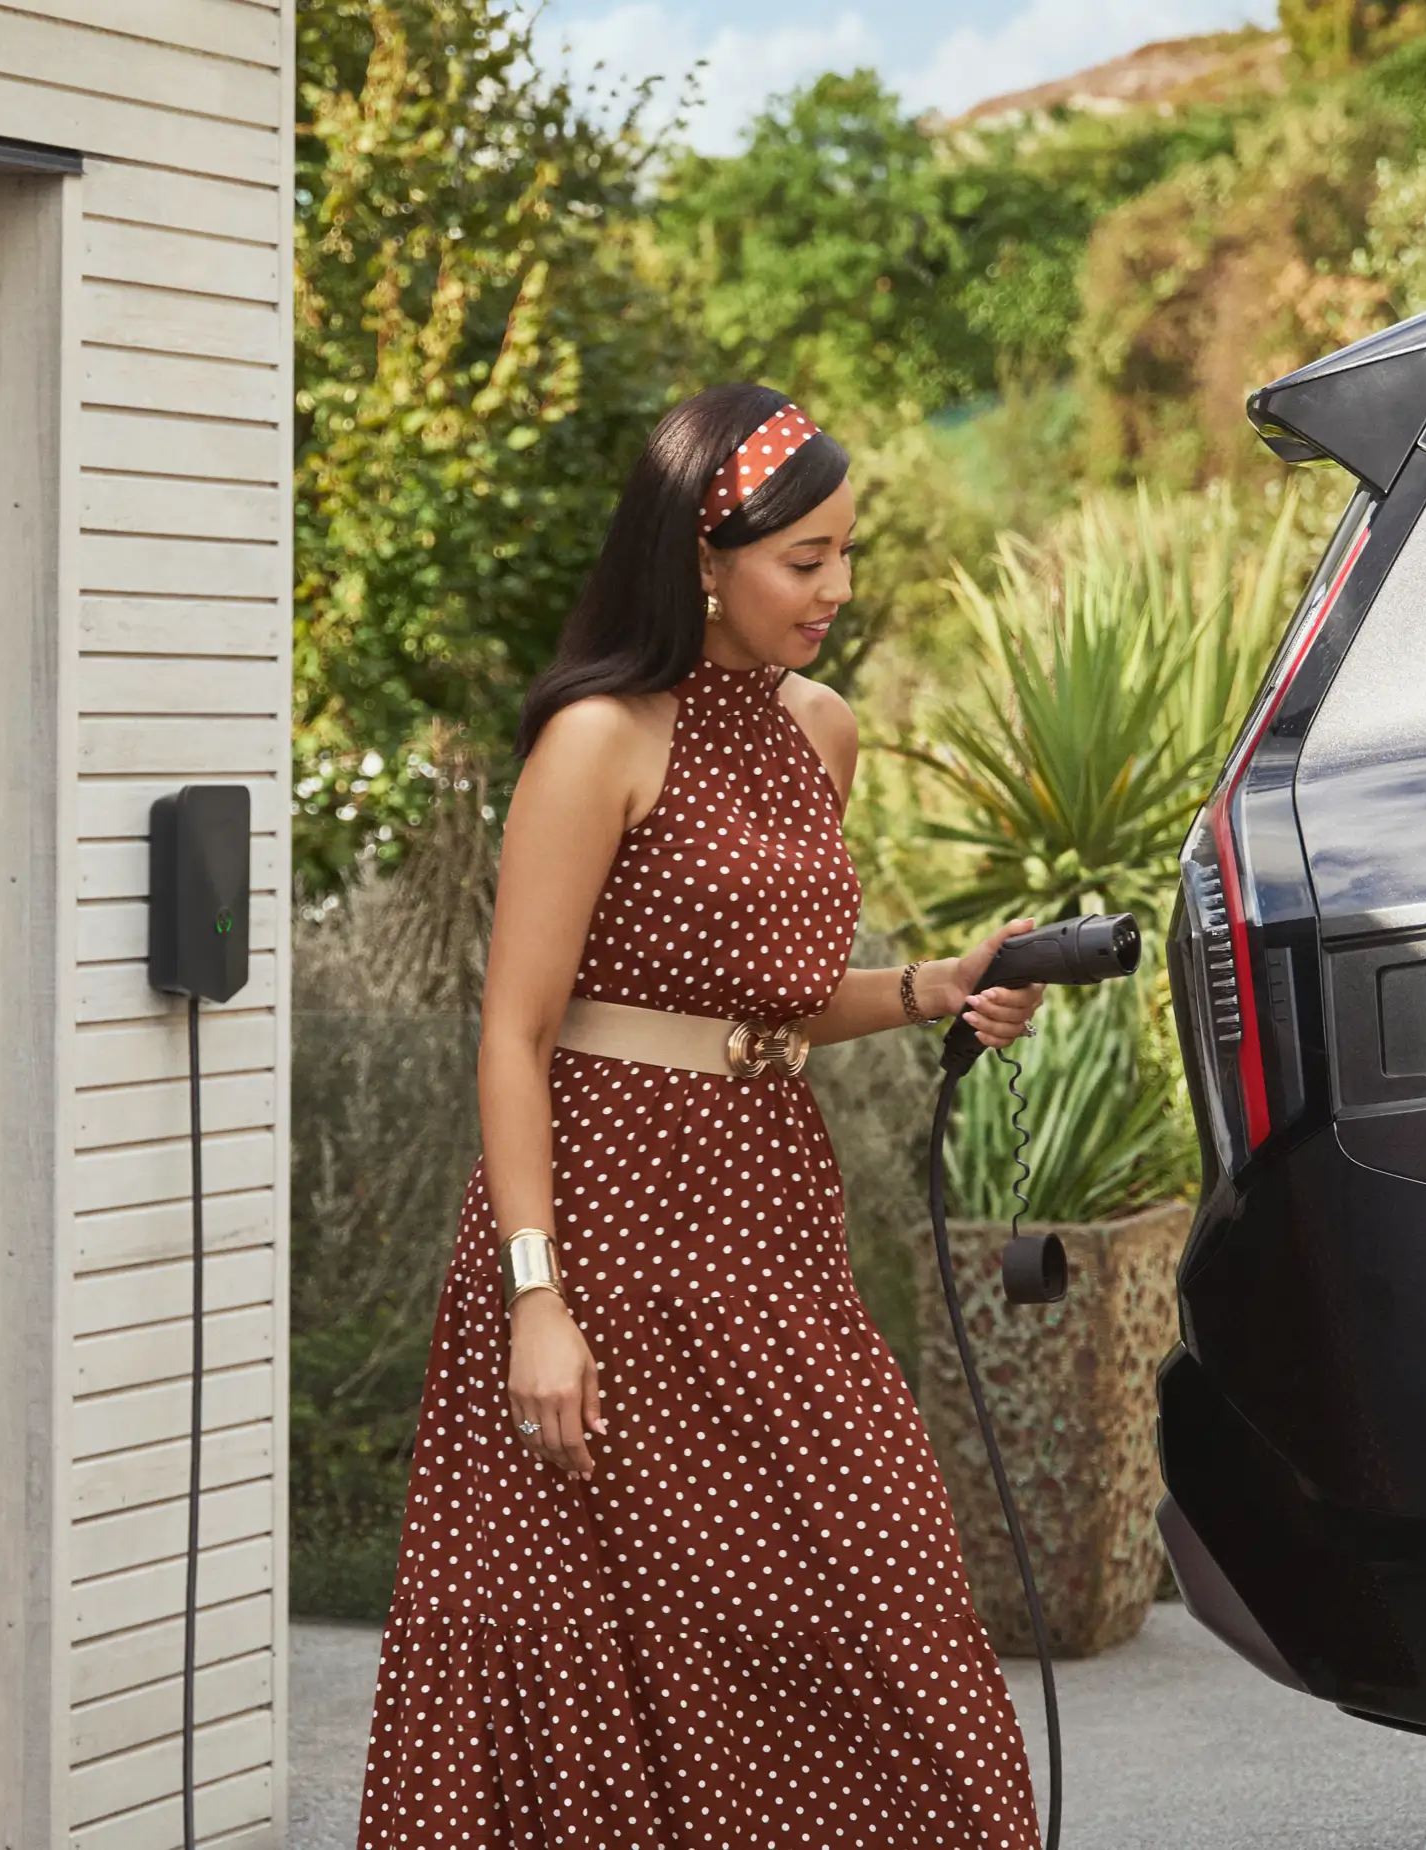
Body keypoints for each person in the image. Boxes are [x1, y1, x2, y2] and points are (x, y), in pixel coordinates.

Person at [354, 383, 1050, 1848]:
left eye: (847, 552)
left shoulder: (823, 733)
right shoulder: (599, 739)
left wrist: (938, 983)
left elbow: (769, 1004)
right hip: (599, 1228)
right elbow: (516, 1033)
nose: (838, 589)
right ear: (700, 561)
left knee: (874, 1596)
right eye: (806, 559)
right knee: (606, 1640)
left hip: (765, 1220)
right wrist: (535, 1300)